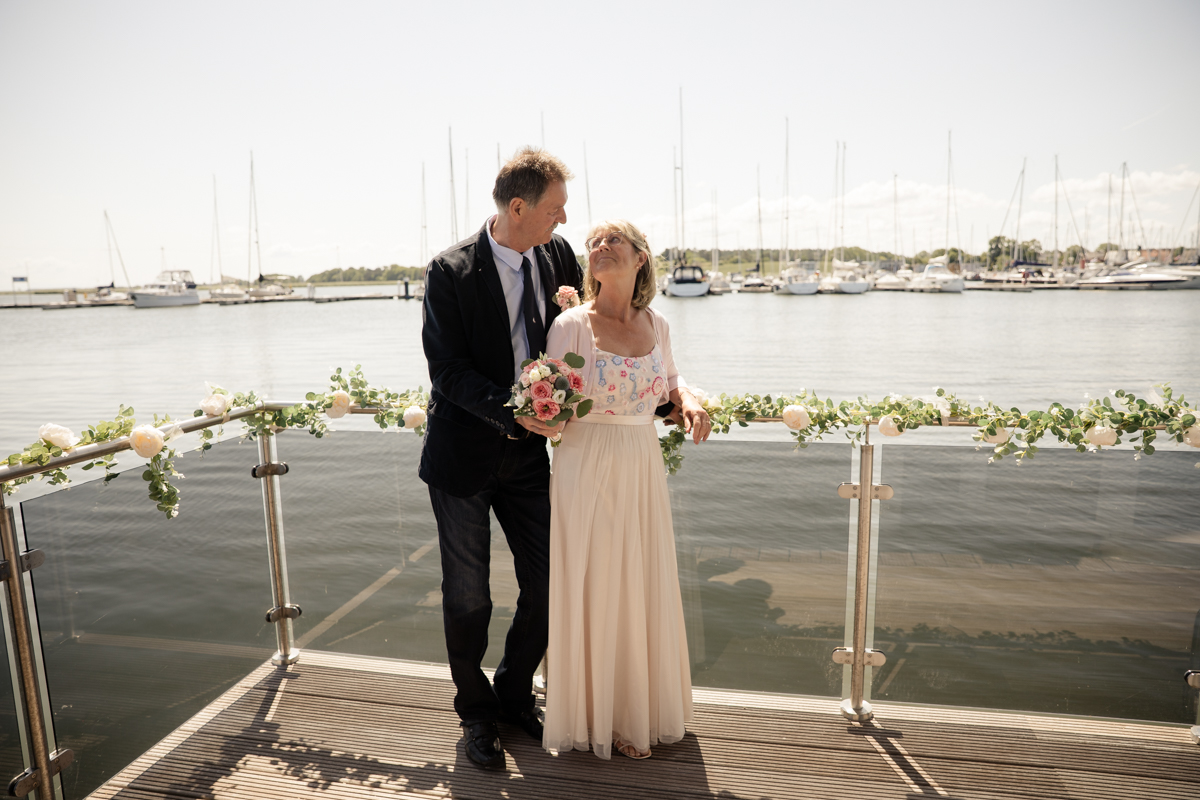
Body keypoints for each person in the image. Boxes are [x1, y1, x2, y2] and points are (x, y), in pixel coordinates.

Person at [419, 148, 582, 770]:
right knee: (469, 599)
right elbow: (448, 373)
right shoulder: (450, 271)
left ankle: (514, 692)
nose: (562, 221)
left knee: (550, 583)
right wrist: (512, 407)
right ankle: (477, 713)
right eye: (554, 209)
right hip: (463, 458)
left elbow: (592, 327)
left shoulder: (558, 258)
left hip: (530, 460)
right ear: (518, 207)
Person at [541, 219, 711, 760]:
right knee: (592, 580)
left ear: (640, 259)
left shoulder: (657, 324)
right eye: (594, 242)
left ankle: (637, 710)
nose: (600, 247)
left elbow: (672, 379)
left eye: (613, 240)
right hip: (585, 462)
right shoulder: (570, 325)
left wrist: (688, 400)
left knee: (639, 578)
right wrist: (539, 415)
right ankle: (594, 716)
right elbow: (548, 398)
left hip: (641, 462)